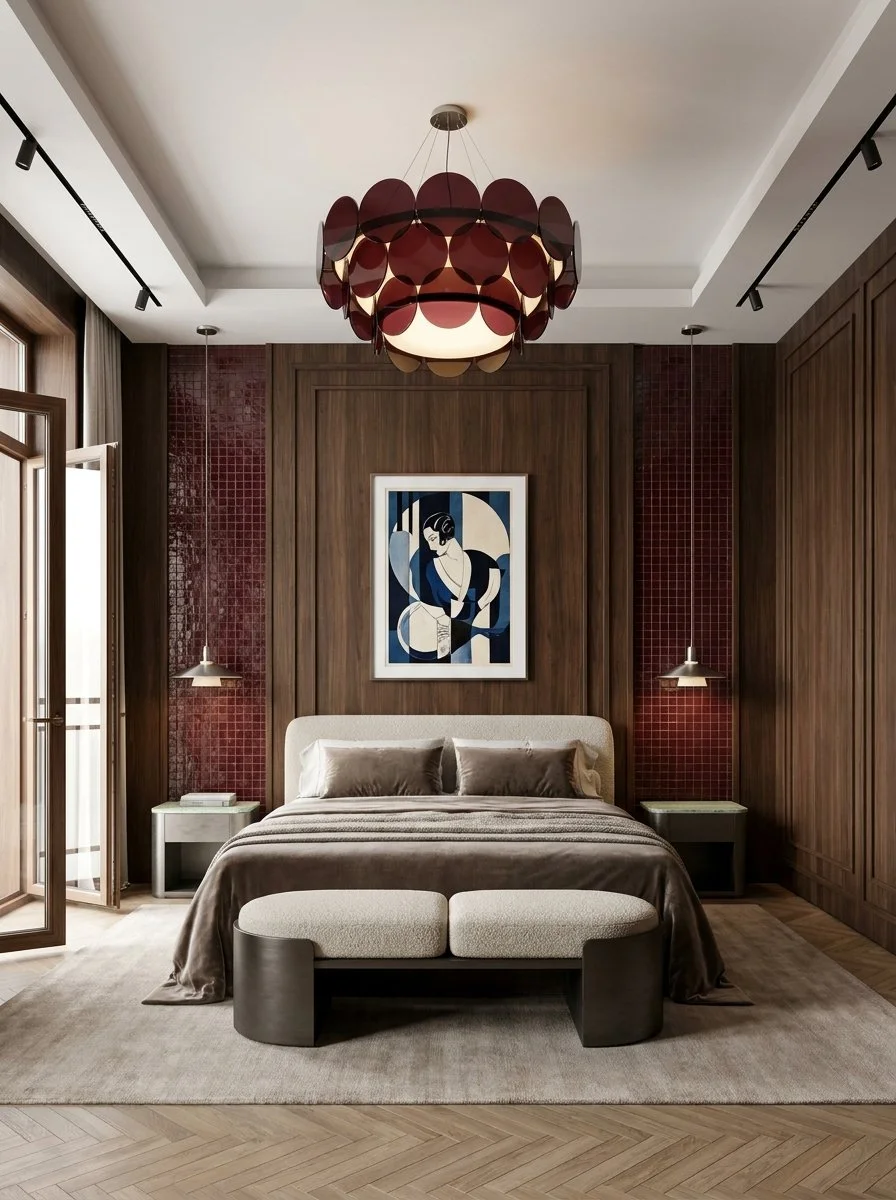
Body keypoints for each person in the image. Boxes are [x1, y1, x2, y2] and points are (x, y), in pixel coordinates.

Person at [421, 512, 502, 626]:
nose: (430, 546)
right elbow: (444, 609)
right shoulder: (432, 569)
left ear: (446, 530)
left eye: (432, 538)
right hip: (448, 630)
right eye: (428, 541)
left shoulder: (484, 560)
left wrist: (478, 607)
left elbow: (493, 588)